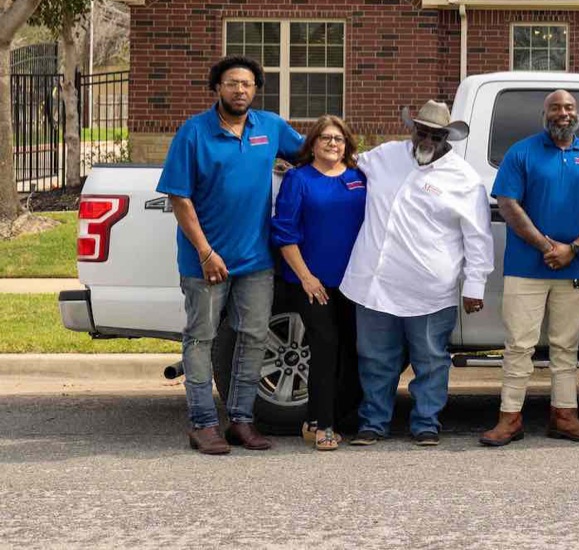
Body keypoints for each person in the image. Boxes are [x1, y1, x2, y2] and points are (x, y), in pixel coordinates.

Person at [157, 56, 303, 455]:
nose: (240, 90)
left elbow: (312, 155)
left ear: (256, 89)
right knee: (201, 338)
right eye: (232, 83)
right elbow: (179, 198)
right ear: (217, 88)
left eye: (247, 84)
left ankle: (241, 421)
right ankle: (203, 424)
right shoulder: (193, 133)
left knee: (254, 337)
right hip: (206, 261)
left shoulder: (269, 127)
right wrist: (206, 253)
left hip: (256, 259)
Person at [339, 100, 493, 447]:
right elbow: (340, 164)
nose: (426, 139)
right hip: (374, 284)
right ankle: (373, 422)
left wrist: (475, 285)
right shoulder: (385, 156)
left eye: (434, 135)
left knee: (431, 362)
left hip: (429, 290)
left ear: (446, 137)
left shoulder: (464, 179)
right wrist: (293, 166)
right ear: (412, 129)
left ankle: (426, 422)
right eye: (420, 131)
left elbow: (478, 237)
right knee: (375, 359)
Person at [479, 90, 579, 447]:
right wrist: (545, 246)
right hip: (526, 267)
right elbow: (507, 204)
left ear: (577, 113)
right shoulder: (521, 152)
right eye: (555, 107)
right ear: (544, 113)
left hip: (575, 268)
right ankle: (509, 419)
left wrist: (572, 249)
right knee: (519, 346)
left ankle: (564, 416)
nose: (562, 113)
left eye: (569, 107)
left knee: (565, 347)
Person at [271, 114, 368, 451]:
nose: (332, 143)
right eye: (325, 137)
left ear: (347, 145)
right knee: (325, 347)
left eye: (338, 138)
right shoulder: (299, 179)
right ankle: (323, 426)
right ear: (312, 144)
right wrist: (306, 277)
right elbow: (285, 233)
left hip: (355, 284)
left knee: (354, 352)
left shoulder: (360, 178)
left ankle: (324, 417)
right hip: (311, 283)